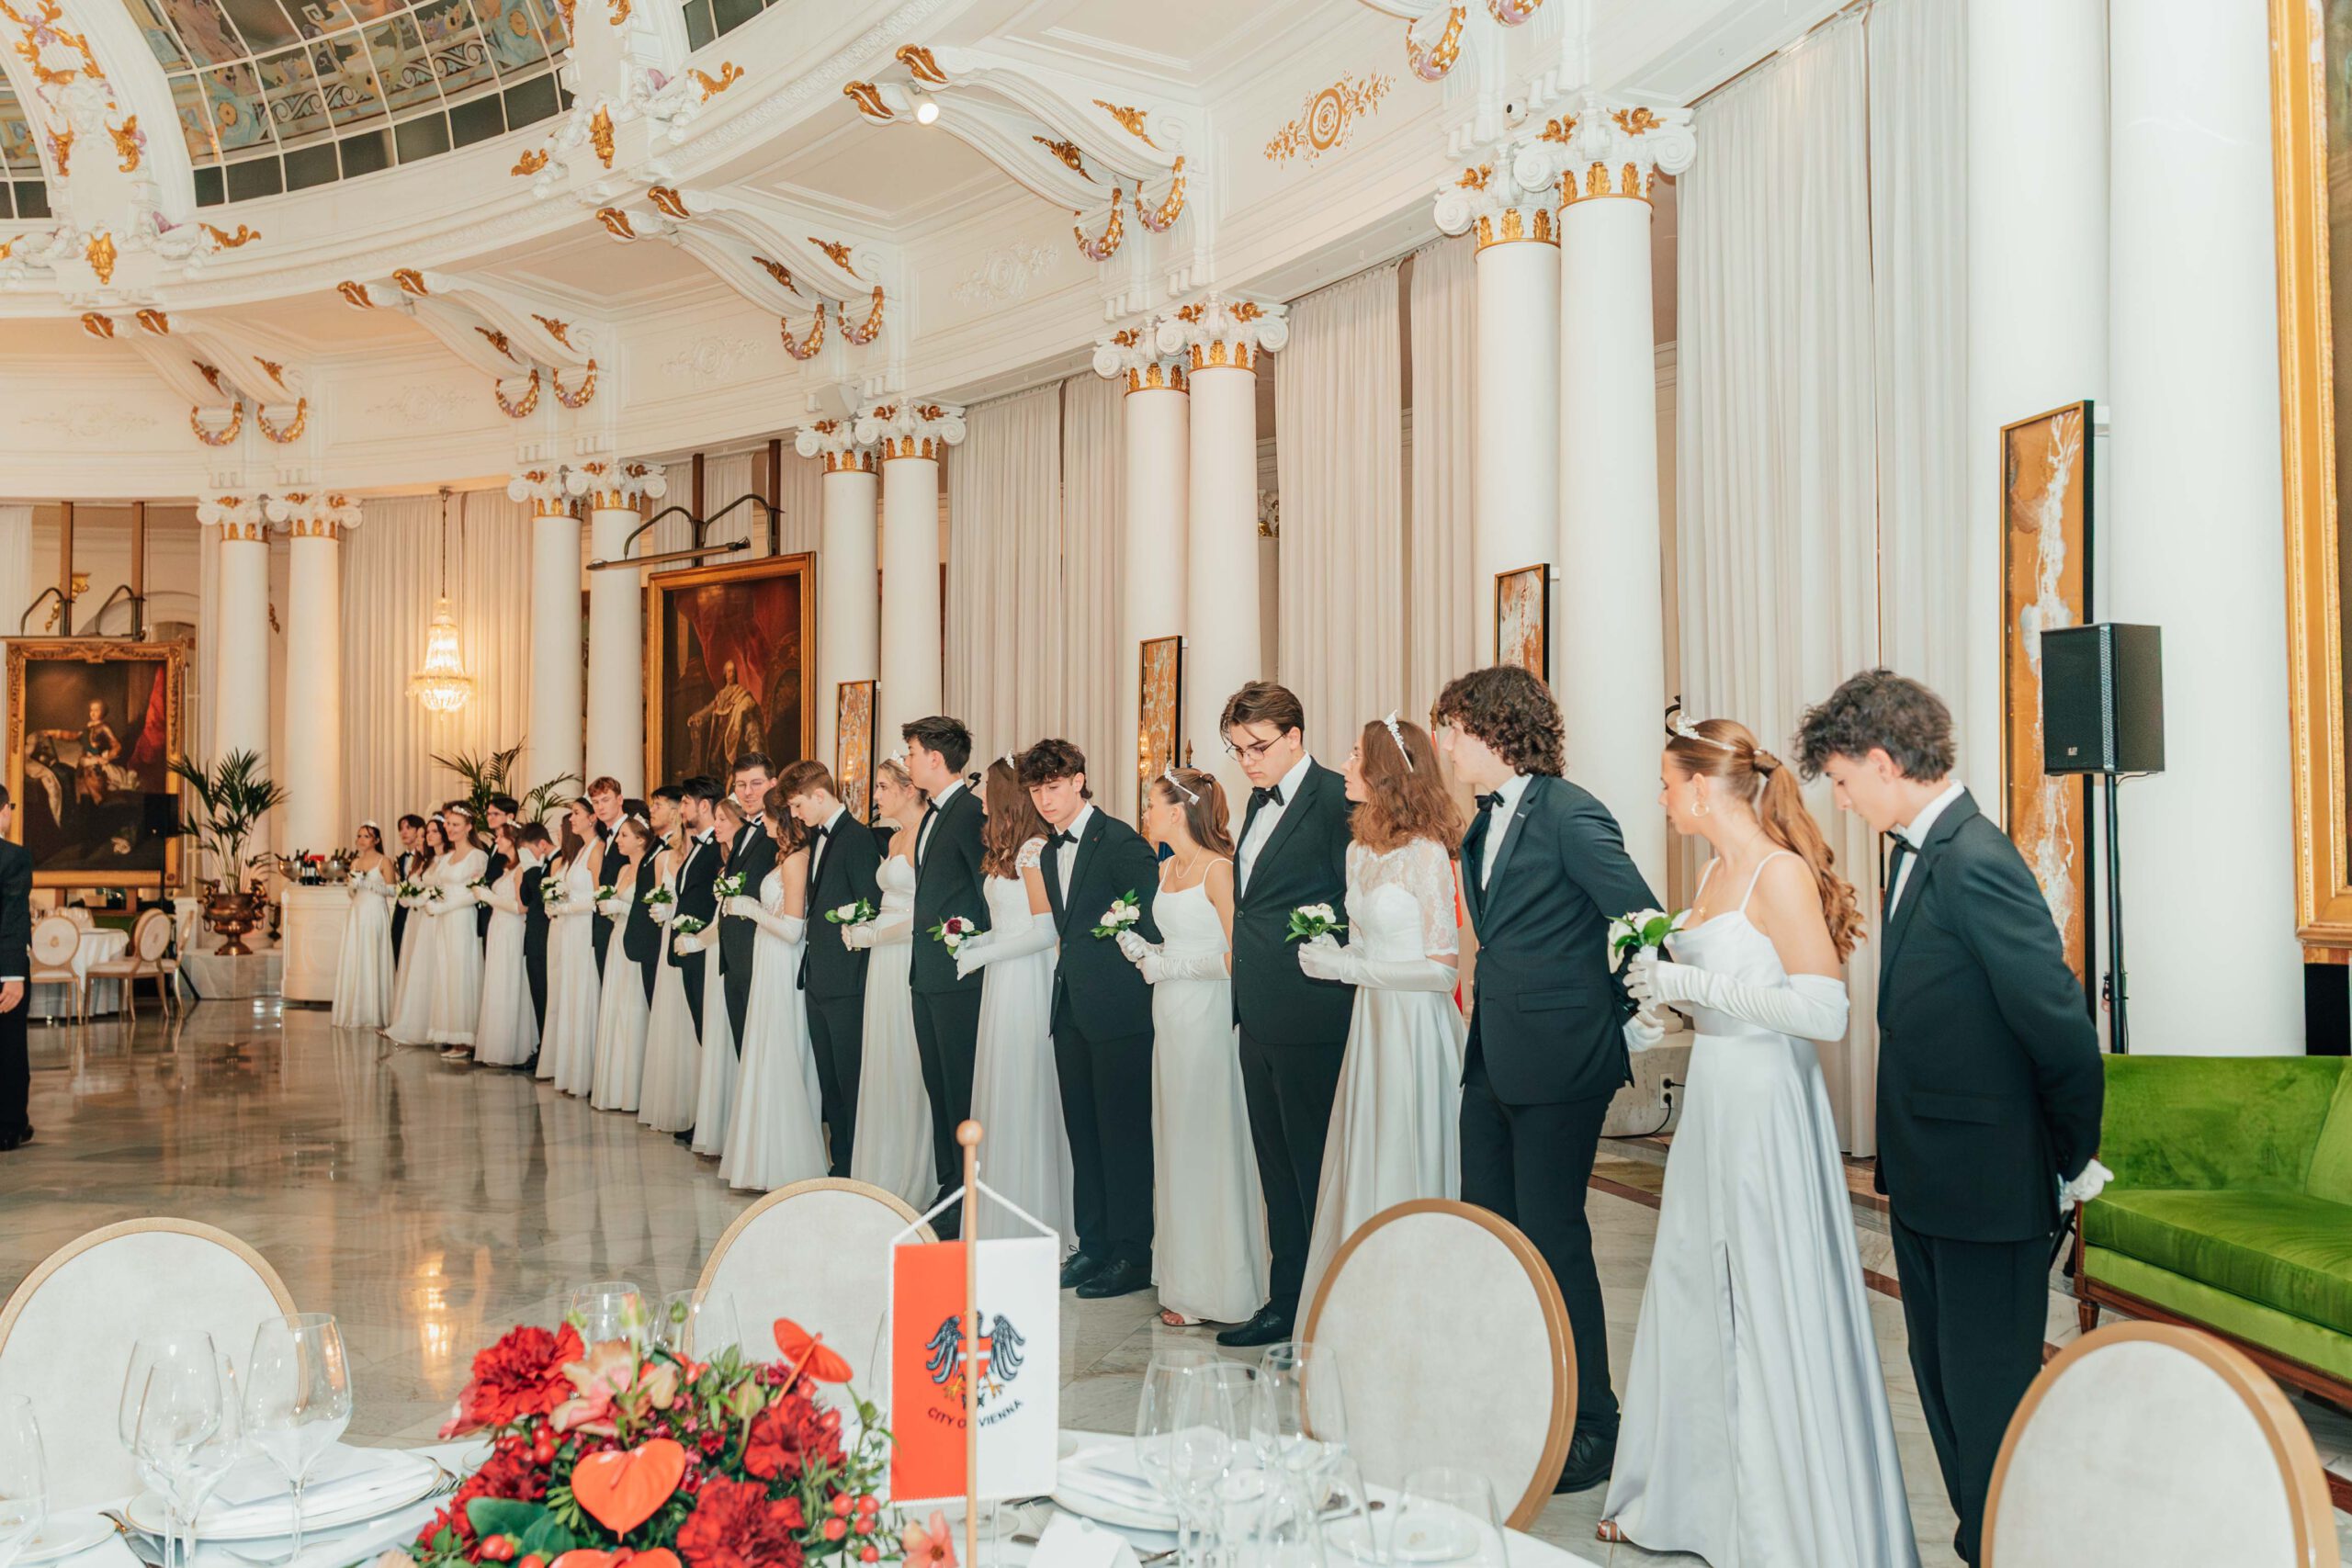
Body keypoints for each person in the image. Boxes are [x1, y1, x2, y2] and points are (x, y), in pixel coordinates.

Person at [1792, 671, 2107, 1566]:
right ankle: (1981, 1542)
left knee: (1989, 1399)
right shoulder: (1917, 851)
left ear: (1884, 763)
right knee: (1943, 1391)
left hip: (1986, 1186)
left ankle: (2011, 1545)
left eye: (1842, 781)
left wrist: (2068, 1158)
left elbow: (2060, 1029)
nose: (1841, 801)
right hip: (1934, 1180)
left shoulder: (1976, 859)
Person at [1602, 712, 1914, 1565]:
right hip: (1714, 1092)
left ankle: (1780, 1518)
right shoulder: (1712, 871)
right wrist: (1660, 1001)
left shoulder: (1778, 873)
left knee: (1766, 1289)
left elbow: (1825, 1011)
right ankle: (1693, 1502)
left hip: (1767, 1097)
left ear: (1703, 788)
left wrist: (1695, 983)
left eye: (1668, 785)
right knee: (1695, 1280)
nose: (1662, 799)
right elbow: (1717, 991)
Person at [1436, 664, 1657, 1493]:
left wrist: (1611, 1014)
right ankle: (1523, 1399)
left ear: (1497, 729)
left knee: (1555, 1237)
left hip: (1561, 1062)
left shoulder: (1571, 812)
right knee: (1494, 1234)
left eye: (1455, 728)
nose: (1445, 744)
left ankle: (1593, 1422)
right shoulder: (1479, 822)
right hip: (1493, 1057)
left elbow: (1640, 919)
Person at [1295, 717, 1466, 1312]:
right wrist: (1333, 954)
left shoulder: (1426, 854)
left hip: (1414, 1029)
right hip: (1371, 1025)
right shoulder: (1358, 851)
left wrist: (1350, 970)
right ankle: (1363, 1301)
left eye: (1355, 755)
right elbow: (1366, 945)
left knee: (1406, 1149)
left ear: (1385, 770)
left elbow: (1443, 972)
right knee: (1367, 1151)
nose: (1345, 765)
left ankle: (1420, 1301)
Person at [1217, 682, 1355, 1348]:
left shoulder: (1336, 799)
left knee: (1312, 1169)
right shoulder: (1256, 800)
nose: (1247, 761)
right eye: (1237, 749)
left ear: (1295, 736)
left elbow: (1356, 898)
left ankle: (1322, 1308)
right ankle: (1285, 1302)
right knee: (1274, 1169)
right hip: (1257, 1011)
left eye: (1258, 747)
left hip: (1312, 1011)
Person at [1118, 767, 1267, 1327]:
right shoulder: (1164, 869)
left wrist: (1171, 967)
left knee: (1208, 1137)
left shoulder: (1218, 870)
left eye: (1152, 805)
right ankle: (1184, 1282)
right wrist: (1145, 949)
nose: (1146, 814)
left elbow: (1238, 956)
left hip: (1207, 1015)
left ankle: (1222, 1288)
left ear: (1177, 812)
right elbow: (1176, 942)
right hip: (1170, 1016)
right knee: (1176, 1138)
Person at [1018, 739, 1160, 1296]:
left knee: (1123, 1136)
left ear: (1078, 780)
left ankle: (1132, 1254)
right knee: (1083, 1133)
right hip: (1071, 1009)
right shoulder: (1046, 853)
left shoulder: (1122, 842)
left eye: (1053, 786)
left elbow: (1150, 926)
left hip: (1121, 1009)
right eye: (1036, 790)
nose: (1045, 799)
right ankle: (1094, 1244)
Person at [951, 757, 1068, 1245]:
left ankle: (1033, 1219)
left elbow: (1045, 931)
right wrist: (975, 941)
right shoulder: (1008, 852)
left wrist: (985, 954)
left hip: (1027, 979)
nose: (980, 801)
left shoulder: (1035, 851)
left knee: (1024, 1087)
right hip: (1004, 975)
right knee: (1002, 1087)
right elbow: (1007, 925)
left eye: (987, 794)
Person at [903, 716, 989, 1235]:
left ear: (935, 758)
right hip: (927, 974)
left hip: (958, 977)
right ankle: (947, 1184)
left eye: (911, 752)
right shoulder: (934, 812)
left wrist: (971, 945)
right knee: (937, 1085)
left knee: (959, 1087)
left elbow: (987, 891)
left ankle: (965, 1192)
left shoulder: (969, 813)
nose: (908, 760)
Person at [719, 785, 828, 1190]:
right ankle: (761, 1158)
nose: (761, 823)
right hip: (767, 960)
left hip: (783, 963)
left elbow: (793, 929)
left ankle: (787, 1160)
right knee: (763, 1052)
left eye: (766, 816)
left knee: (782, 1052)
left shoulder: (798, 860)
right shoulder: (784, 857)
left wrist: (750, 909)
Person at [844, 757, 934, 1208]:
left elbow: (927, 911)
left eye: (882, 787)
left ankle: (914, 1172)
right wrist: (865, 926)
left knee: (907, 1055)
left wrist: (876, 935)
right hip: (883, 957)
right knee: (882, 1056)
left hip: (907, 954)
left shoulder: (927, 834)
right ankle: (881, 1168)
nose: (875, 795)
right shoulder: (895, 837)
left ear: (908, 788)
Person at [786, 759, 882, 1177]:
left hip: (847, 981)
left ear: (820, 795)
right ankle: (840, 1161)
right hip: (819, 978)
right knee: (830, 1083)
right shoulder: (819, 837)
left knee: (851, 1080)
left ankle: (856, 1165)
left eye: (798, 805)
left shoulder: (857, 839)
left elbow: (870, 907)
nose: (795, 815)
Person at [641, 781, 718, 1135]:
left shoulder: (716, 848)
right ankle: (701, 1117)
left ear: (703, 806)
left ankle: (709, 1120)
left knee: (705, 1034)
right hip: (685, 947)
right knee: (698, 1032)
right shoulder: (695, 849)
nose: (681, 810)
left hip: (705, 948)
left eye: (685, 803)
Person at [689, 801, 744, 1156]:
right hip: (715, 951)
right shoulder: (726, 861)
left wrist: (699, 940)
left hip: (725, 951)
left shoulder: (743, 861)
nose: (717, 824)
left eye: (723, 819)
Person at [593, 813, 656, 1112]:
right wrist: (611, 906)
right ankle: (615, 1086)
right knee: (616, 1007)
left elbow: (646, 910)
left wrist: (620, 906)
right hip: (617, 939)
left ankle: (634, 1089)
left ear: (641, 839)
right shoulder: (622, 870)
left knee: (633, 1009)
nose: (618, 840)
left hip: (635, 941)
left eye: (624, 836)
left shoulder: (648, 869)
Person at [541, 798, 605, 1096]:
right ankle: (570, 1070)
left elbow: (599, 896)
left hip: (583, 929)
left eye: (577, 813)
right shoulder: (579, 851)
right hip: (569, 930)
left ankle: (585, 1073)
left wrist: (566, 907)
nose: (571, 819)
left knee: (583, 994)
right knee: (569, 994)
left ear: (592, 818)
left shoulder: (597, 849)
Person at [718, 753, 779, 1044]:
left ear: (773, 784)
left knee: (762, 1045)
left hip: (761, 954)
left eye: (756, 783)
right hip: (733, 957)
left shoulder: (781, 833)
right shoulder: (743, 832)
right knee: (743, 1047)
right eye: (741, 785)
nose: (747, 792)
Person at [427, 803, 490, 1061]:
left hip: (462, 918)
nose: (450, 829)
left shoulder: (477, 856)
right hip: (444, 920)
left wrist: (446, 907)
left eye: (455, 825)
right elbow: (439, 886)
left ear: (468, 827)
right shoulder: (446, 857)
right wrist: (433, 901)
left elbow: (474, 894)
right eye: (448, 824)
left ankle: (466, 1037)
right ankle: (451, 1033)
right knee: (446, 972)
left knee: (462, 972)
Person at [385, 816, 448, 1045]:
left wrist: (418, 899)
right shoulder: (424, 862)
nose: (425, 838)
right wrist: (407, 896)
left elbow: (438, 889)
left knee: (427, 968)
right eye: (424, 834)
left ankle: (427, 1024)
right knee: (412, 966)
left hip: (430, 916)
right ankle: (407, 1019)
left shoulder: (443, 861)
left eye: (430, 833)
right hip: (415, 917)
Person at [332, 821, 397, 1030]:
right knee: (356, 956)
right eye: (359, 836)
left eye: (366, 836)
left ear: (376, 840)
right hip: (357, 912)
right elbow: (353, 894)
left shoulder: (384, 861)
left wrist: (367, 883)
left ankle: (374, 1013)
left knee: (373, 955)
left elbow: (392, 890)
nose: (361, 840)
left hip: (375, 912)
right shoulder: (355, 862)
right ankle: (355, 1012)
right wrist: (352, 885)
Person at [0, 788, 32, 1152]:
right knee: (9, 1047)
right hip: (3, 969)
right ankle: (9, 1126)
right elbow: (12, 917)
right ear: (3, 811)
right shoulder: (13, 857)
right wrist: (12, 976)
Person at [517, 821, 554, 1050]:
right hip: (533, 937)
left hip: (545, 938)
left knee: (545, 994)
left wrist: (532, 869)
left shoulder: (554, 863)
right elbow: (525, 897)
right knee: (537, 993)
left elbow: (541, 899)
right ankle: (542, 1047)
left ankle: (546, 1049)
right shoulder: (535, 867)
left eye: (527, 850)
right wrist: (527, 869)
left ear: (542, 844)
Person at [587, 776, 627, 980]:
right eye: (595, 802)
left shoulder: (630, 830)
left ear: (619, 800)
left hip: (621, 919)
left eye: (605, 800)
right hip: (605, 920)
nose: (600, 807)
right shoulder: (607, 833)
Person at [390, 813, 425, 962]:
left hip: (420, 907)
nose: (403, 832)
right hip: (402, 907)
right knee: (398, 943)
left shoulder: (425, 856)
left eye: (408, 828)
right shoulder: (401, 858)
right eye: (401, 829)